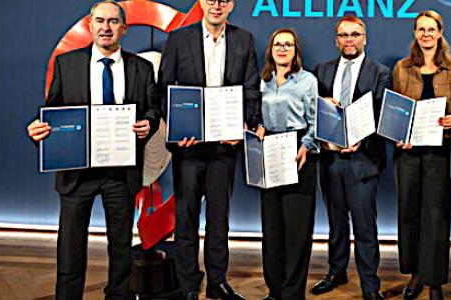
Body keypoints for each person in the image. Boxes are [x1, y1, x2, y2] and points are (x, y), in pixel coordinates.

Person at [25, 1, 160, 299]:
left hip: (121, 173)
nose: (106, 27)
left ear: (124, 28)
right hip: (77, 173)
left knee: (121, 249)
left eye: (113, 22)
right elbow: (53, 112)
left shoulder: (142, 67)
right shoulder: (67, 64)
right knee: (70, 248)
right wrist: (39, 129)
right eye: (100, 21)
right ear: (90, 25)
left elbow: (153, 108)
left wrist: (148, 124)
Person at [157, 0, 262, 299]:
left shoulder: (244, 39)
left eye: (223, 0)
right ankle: (188, 285)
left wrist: (244, 124)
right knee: (186, 217)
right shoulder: (179, 39)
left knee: (219, 219)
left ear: (232, 5)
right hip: (189, 148)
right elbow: (164, 89)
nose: (217, 5)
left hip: (224, 147)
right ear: (202, 2)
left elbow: (251, 89)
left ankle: (217, 282)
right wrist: (176, 129)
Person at [309, 15, 392, 300]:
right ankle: (336, 271)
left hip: (363, 160)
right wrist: (321, 104)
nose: (349, 40)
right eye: (343, 35)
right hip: (330, 160)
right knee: (336, 224)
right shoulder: (321, 71)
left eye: (355, 34)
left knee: (365, 227)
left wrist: (362, 139)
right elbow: (312, 112)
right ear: (336, 40)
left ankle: (370, 285)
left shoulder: (380, 72)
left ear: (364, 38)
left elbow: (382, 114)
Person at [390, 10, 451, 300]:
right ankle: (415, 274)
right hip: (408, 153)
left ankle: (434, 280)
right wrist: (399, 134)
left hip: (440, 150)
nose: (426, 34)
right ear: (415, 33)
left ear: (440, 32)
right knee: (408, 213)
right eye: (421, 29)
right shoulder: (402, 67)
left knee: (436, 215)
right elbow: (395, 109)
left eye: (431, 29)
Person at [257, 28, 319, 300]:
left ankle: (293, 294)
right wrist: (258, 126)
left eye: (288, 45)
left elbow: (316, 121)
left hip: (298, 151)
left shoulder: (307, 81)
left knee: (297, 231)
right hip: (269, 150)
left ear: (296, 51)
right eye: (278, 44)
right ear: (271, 50)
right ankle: (275, 291)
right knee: (272, 229)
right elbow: (255, 114)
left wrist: (306, 145)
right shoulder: (262, 81)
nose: (282, 49)